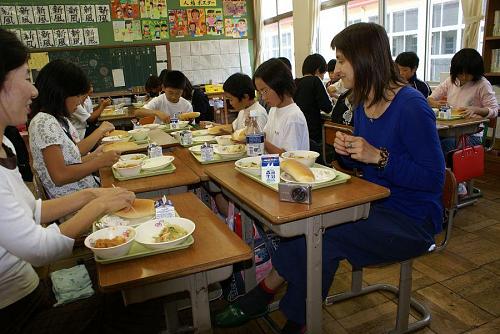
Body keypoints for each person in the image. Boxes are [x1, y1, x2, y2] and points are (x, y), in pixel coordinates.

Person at [215, 23, 445, 334]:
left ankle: (278, 303)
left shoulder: (412, 106)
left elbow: (433, 178)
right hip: (376, 202)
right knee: (314, 224)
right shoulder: (363, 104)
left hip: (412, 218)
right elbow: (366, 163)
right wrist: (350, 152)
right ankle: (295, 315)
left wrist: (379, 156)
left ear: (364, 59)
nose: (336, 69)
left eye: (341, 60)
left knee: (324, 234)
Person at [0, 28, 164, 334]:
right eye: (24, 77)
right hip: (14, 312)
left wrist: (92, 198)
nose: (32, 91)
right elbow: (39, 247)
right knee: (139, 292)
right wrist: (98, 202)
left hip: (29, 291)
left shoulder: (6, 146)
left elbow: (33, 211)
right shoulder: (43, 122)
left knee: (135, 277)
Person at [29, 60, 120, 199]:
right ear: (60, 93)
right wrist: (98, 162)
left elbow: (73, 154)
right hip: (73, 202)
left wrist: (96, 155)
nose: (80, 101)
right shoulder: (43, 122)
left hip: (86, 190)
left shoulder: (60, 119)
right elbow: (60, 176)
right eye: (77, 95)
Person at [428, 48, 498, 153]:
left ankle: (444, 169)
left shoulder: (482, 84)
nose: (464, 77)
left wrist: (476, 109)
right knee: (426, 139)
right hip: (449, 130)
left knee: (446, 145)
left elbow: (494, 110)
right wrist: (434, 103)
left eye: (468, 73)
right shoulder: (451, 81)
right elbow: (430, 98)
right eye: (460, 73)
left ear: (476, 71)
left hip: (472, 134)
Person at [254, 58, 309, 154]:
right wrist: (253, 128)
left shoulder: (293, 117)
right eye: (260, 92)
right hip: (273, 167)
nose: (263, 97)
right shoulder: (274, 109)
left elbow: (288, 157)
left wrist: (261, 141)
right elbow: (266, 136)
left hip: (288, 167)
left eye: (265, 91)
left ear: (280, 84)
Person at [294, 53, 333, 158]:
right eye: (323, 74)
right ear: (317, 70)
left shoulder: (295, 83)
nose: (322, 77)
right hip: (313, 135)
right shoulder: (315, 81)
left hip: (298, 135)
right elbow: (327, 107)